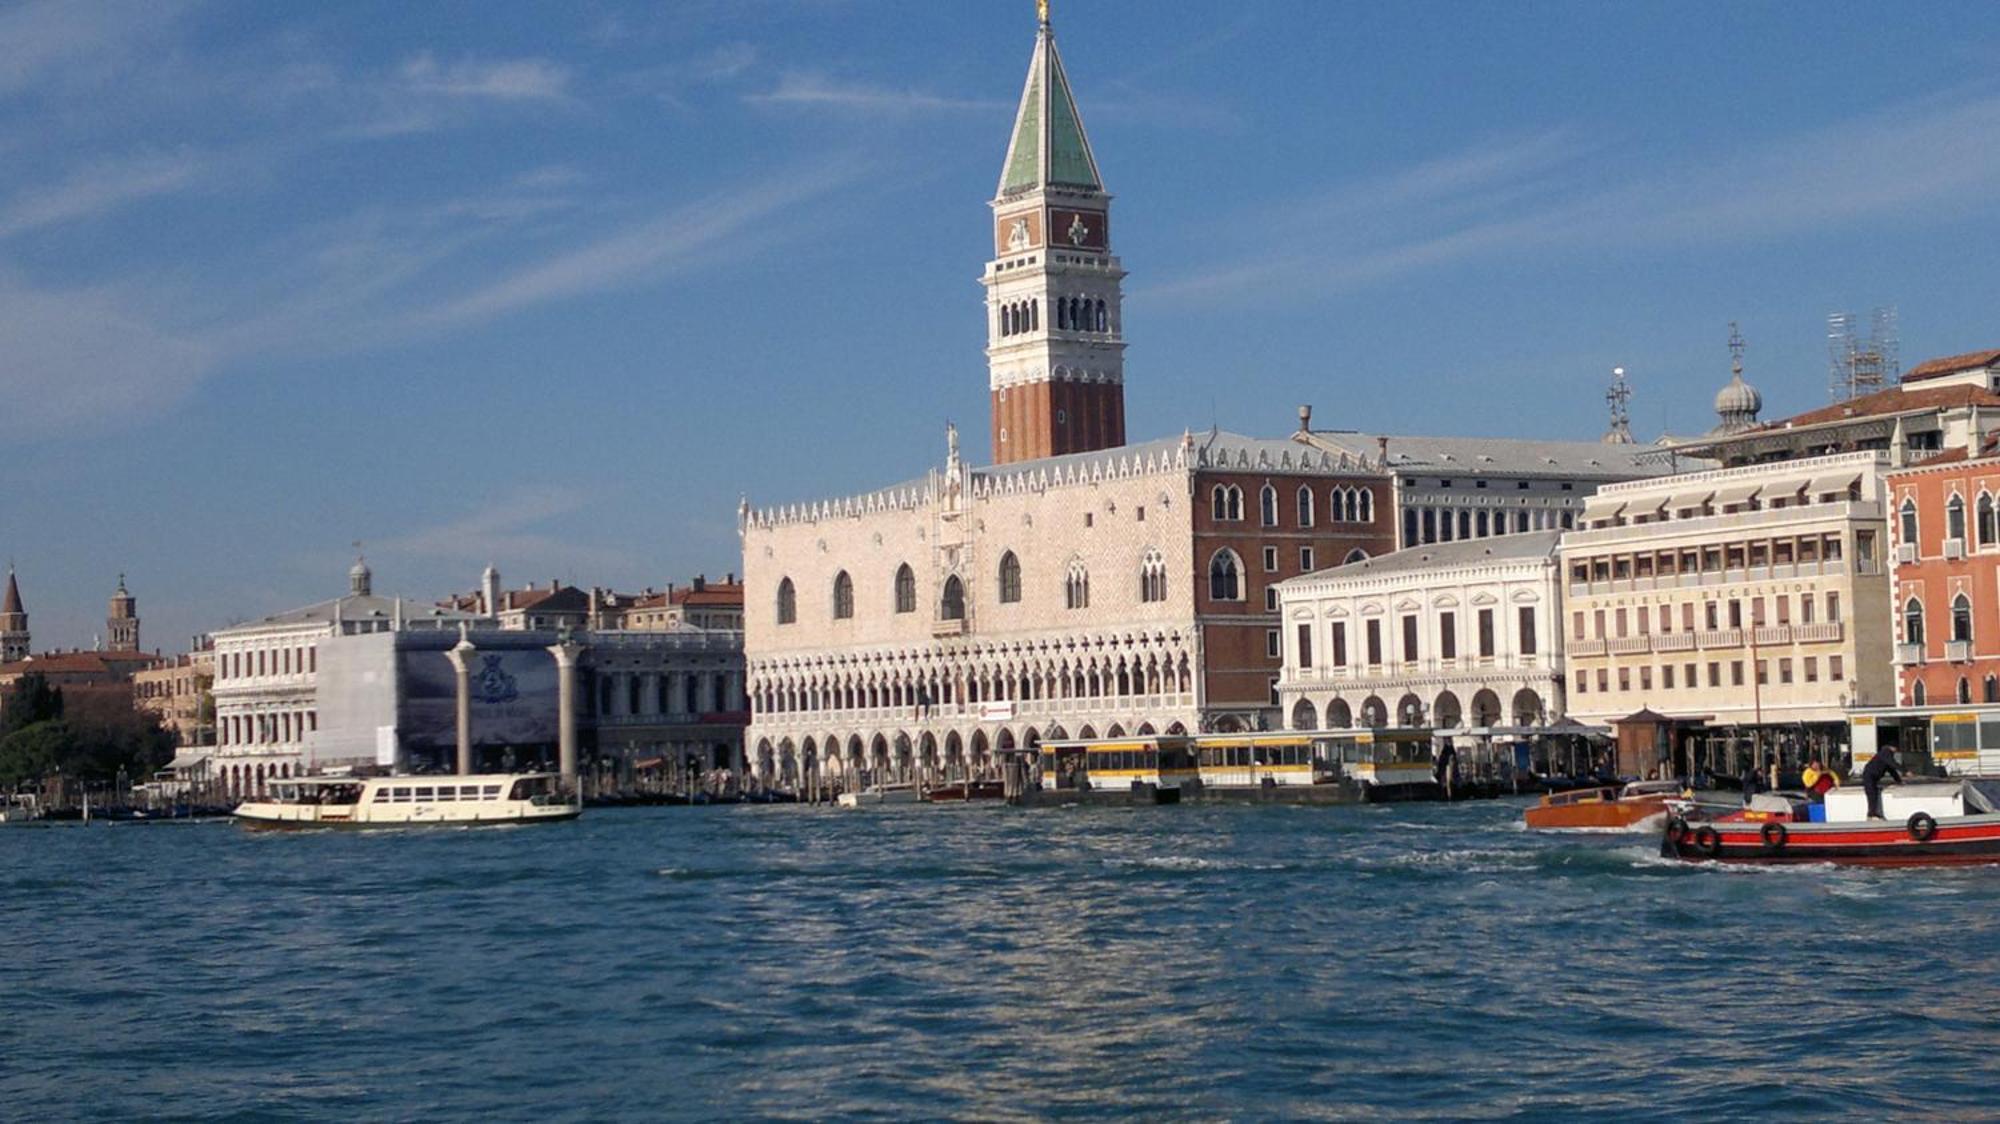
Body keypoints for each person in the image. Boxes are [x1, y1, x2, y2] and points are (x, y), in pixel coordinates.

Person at [1861, 746, 1902, 820]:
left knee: (1874, 792)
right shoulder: (1886, 753)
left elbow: (1891, 770)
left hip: (1872, 775)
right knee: (1872, 793)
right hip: (1870, 775)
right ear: (1892, 747)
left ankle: (1873, 813)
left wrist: (1898, 780)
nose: (1896, 751)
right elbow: (1893, 764)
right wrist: (1905, 771)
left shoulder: (1885, 755)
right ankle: (1871, 814)